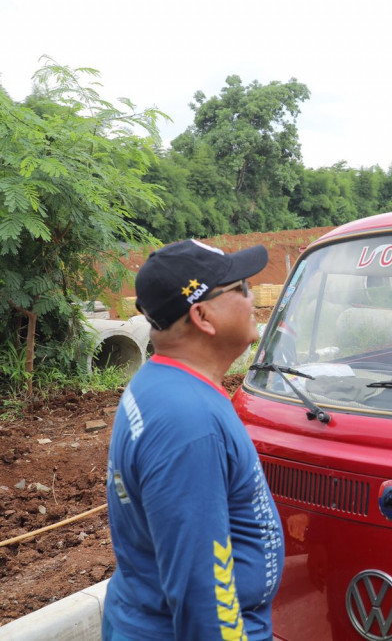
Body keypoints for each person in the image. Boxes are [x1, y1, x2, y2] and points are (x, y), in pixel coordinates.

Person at [103, 239, 284, 640]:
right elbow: (202, 594)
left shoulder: (160, 383)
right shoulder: (190, 423)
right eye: (240, 288)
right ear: (202, 316)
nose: (252, 296)